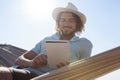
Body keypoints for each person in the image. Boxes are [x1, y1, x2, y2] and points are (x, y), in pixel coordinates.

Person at [0, 2, 93, 80]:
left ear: (77, 24)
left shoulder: (84, 44)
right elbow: (19, 60)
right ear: (58, 23)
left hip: (48, 77)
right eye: (63, 20)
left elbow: (85, 73)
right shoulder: (47, 39)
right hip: (25, 71)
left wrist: (68, 69)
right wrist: (32, 63)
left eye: (71, 20)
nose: (66, 24)